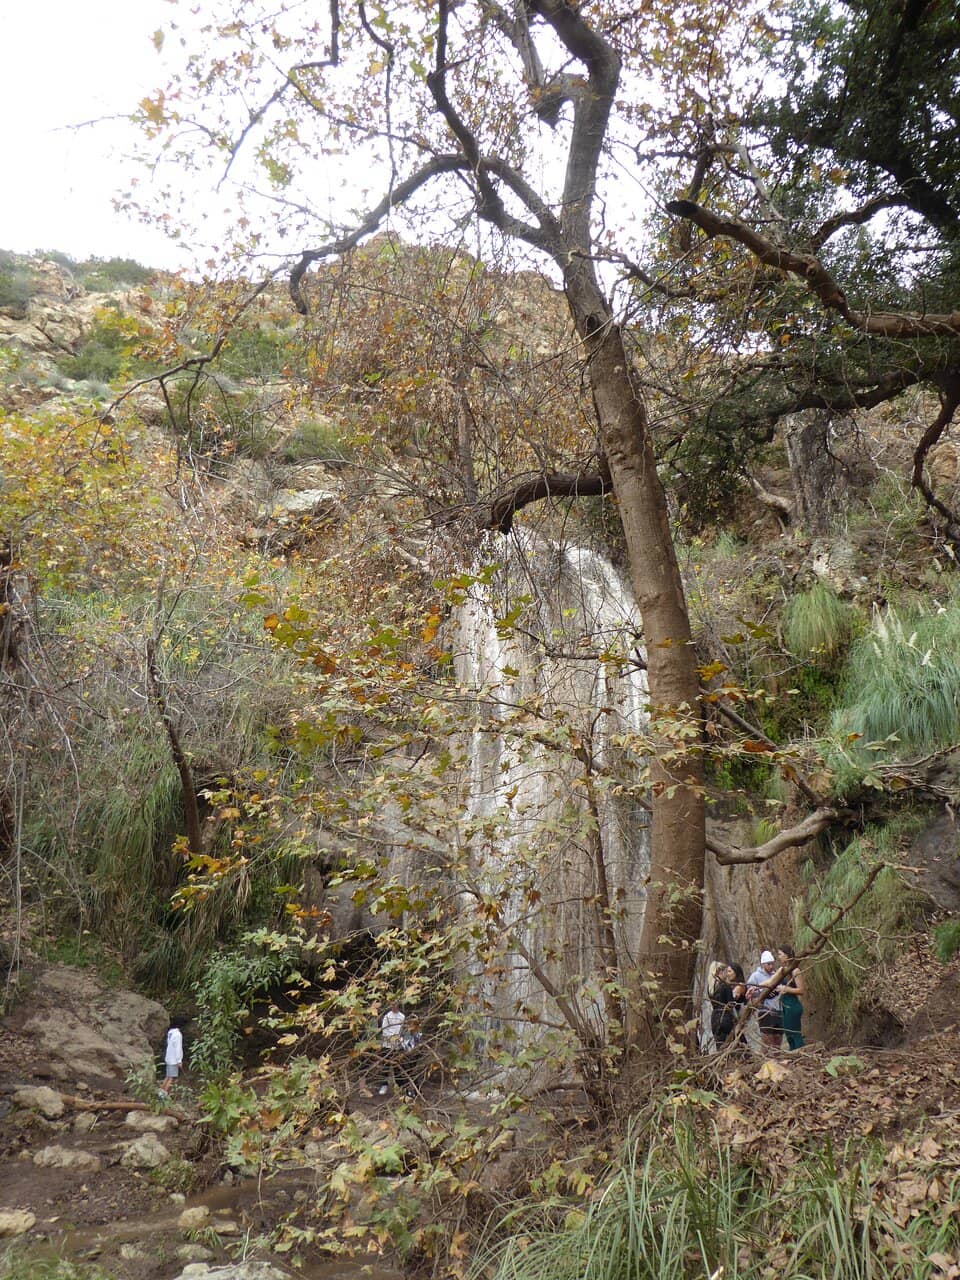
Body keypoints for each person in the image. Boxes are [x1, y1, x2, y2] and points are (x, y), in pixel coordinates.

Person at [746, 950, 783, 1051]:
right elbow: (750, 993)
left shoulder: (775, 975)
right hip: (765, 1011)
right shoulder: (755, 976)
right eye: (768, 964)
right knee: (767, 1040)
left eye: (772, 964)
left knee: (777, 1039)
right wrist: (763, 994)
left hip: (778, 1010)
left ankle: (777, 1062)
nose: (771, 966)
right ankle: (765, 1062)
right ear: (763, 964)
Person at [710, 962, 746, 1048]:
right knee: (739, 1043)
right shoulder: (725, 986)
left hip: (716, 1018)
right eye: (726, 971)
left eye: (729, 971)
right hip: (725, 1018)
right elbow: (731, 1003)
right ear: (720, 972)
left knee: (722, 1045)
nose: (727, 974)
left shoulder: (712, 987)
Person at [777, 946, 805, 1050]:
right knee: (788, 1033)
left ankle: (801, 1054)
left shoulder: (795, 971)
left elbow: (801, 990)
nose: (778, 957)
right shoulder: (784, 970)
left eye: (780, 954)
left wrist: (786, 989)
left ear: (787, 955)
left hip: (793, 1006)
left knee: (795, 1033)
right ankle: (793, 1054)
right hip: (785, 1006)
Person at [377, 1002, 405, 1096]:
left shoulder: (402, 1016)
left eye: (395, 1004)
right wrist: (391, 1038)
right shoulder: (387, 1016)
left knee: (397, 1066)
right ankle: (384, 1085)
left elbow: (401, 1029)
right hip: (387, 1044)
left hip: (397, 1045)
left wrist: (398, 1038)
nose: (393, 1006)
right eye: (391, 1005)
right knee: (386, 1065)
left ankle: (399, 1087)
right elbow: (384, 1030)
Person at [160, 1018, 184, 1094]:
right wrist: (179, 1060)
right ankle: (163, 1095)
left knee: (168, 1076)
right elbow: (178, 1048)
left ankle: (160, 1092)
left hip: (168, 1057)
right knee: (171, 1078)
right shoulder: (178, 1035)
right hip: (173, 1060)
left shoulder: (170, 1033)